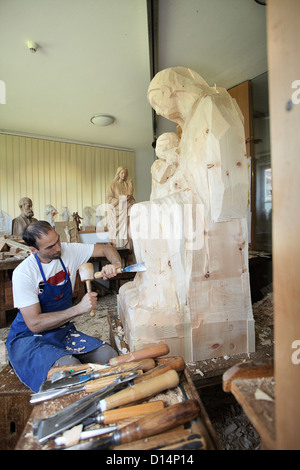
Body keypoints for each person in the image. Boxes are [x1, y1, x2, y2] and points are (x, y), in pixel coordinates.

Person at [6, 220, 122, 392]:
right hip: (29, 337)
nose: (58, 248)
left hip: (61, 331)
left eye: (58, 241)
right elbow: (35, 324)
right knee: (69, 368)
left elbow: (107, 249)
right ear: (34, 250)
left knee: (108, 355)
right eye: (50, 247)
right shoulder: (24, 273)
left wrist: (115, 265)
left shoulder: (68, 251)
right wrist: (79, 309)